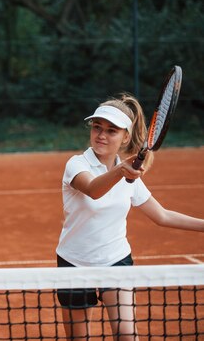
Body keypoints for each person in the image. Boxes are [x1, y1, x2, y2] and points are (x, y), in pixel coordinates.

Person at [55, 93, 204, 340]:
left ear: (125, 137)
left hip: (115, 261)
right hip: (73, 263)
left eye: (111, 130)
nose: (101, 135)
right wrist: (120, 170)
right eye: (97, 127)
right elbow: (93, 190)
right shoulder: (77, 164)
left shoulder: (129, 175)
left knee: (127, 334)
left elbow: (162, 216)